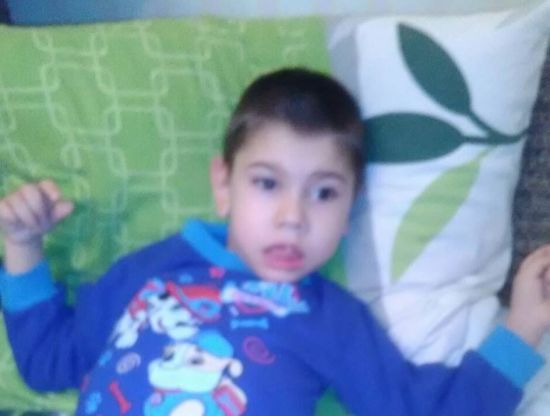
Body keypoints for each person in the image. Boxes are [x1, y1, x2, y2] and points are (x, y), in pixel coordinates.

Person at [0, 68, 549, 416]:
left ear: (350, 208)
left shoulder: (332, 319)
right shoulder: (154, 269)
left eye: (324, 193)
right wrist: (23, 248)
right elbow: (51, 361)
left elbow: (425, 410)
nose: (293, 218)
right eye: (267, 184)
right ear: (224, 186)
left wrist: (523, 327)